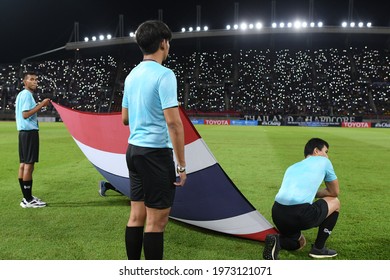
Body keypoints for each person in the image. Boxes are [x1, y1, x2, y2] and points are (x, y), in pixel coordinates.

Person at [121, 20, 187, 260]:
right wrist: (181, 165)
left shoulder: (131, 76)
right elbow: (173, 124)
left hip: (134, 151)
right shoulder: (165, 74)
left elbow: (125, 119)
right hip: (155, 154)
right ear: (163, 43)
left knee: (136, 216)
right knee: (156, 223)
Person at [263, 138, 340, 259]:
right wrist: (316, 193)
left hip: (277, 213)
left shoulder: (292, 167)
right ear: (316, 151)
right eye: (326, 151)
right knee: (335, 202)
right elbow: (334, 192)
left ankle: (277, 241)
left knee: (299, 243)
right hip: (299, 214)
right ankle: (319, 249)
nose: (327, 156)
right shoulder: (323, 161)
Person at [15, 71, 50, 208]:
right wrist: (42, 104)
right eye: (31, 79)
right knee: (29, 165)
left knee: (23, 164)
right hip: (29, 133)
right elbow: (25, 114)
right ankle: (28, 200)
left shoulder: (21, 95)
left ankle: (26, 197)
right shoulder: (27, 95)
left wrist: (39, 104)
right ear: (25, 82)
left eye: (36, 79)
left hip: (23, 133)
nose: (35, 81)